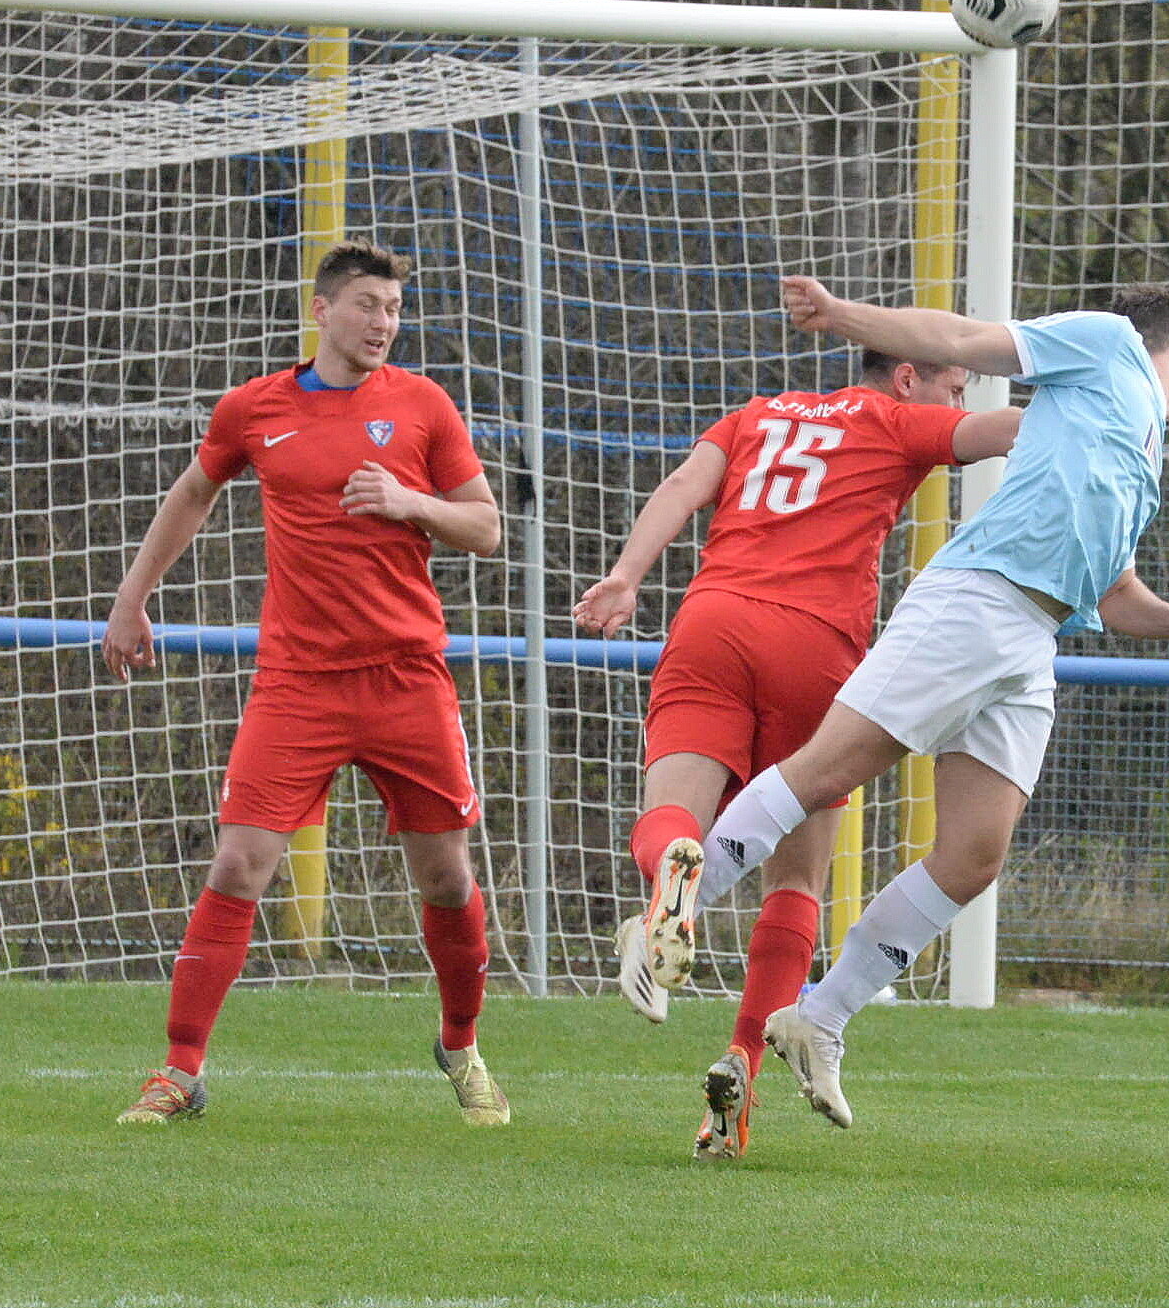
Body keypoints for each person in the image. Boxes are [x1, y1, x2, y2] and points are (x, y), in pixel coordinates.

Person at [674, 275, 1169, 1134]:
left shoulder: (1140, 442)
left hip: (1033, 639)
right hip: (978, 599)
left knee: (973, 855)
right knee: (827, 770)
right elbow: (964, 342)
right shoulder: (1110, 343)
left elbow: (1115, 594)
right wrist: (841, 315)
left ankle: (820, 1017)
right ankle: (678, 904)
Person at [102, 240, 510, 1128]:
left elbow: (485, 526)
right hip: (298, 682)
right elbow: (194, 493)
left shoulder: (423, 405)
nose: (383, 322)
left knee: (446, 878)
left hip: (407, 677)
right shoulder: (255, 408)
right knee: (239, 862)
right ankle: (178, 1070)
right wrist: (133, 597)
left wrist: (411, 502)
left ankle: (462, 1044)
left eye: (394, 309)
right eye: (367, 304)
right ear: (321, 309)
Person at [578, 348, 1020, 1161]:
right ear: (907, 377)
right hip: (815, 646)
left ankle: (671, 871)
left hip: (712, 621)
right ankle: (742, 1062)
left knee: (673, 814)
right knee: (797, 879)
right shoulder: (895, 422)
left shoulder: (754, 415)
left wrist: (625, 577)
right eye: (954, 384)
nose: (960, 400)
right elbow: (1011, 432)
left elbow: (683, 486)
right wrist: (1109, 403)